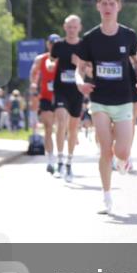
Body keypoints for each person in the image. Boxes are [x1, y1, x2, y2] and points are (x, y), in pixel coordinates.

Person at [75, 0, 137, 214]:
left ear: (118, 7)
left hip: (124, 99)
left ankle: (123, 160)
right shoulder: (91, 38)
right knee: (106, 150)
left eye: (111, 4)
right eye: (103, 3)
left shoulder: (128, 35)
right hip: (100, 100)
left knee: (122, 152)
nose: (107, 7)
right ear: (98, 6)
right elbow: (79, 69)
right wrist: (80, 82)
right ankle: (107, 197)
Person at [47, 15, 86, 182]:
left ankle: (69, 161)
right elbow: (51, 60)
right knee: (61, 119)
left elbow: (91, 70)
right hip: (61, 89)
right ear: (64, 27)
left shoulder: (85, 46)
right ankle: (59, 161)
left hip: (77, 91)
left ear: (79, 28)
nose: (71, 30)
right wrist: (50, 65)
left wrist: (79, 64)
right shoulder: (58, 45)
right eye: (69, 27)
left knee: (73, 128)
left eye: (74, 27)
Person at [30, 34, 61, 172]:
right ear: (48, 44)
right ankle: (50, 159)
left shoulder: (64, 59)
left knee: (61, 128)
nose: (53, 45)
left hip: (62, 97)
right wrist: (33, 84)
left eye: (56, 43)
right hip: (46, 97)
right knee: (48, 127)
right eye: (51, 43)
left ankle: (61, 158)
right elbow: (34, 73)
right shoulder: (40, 59)